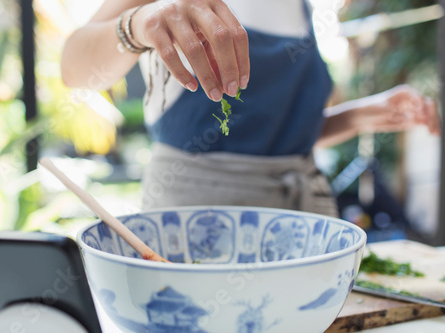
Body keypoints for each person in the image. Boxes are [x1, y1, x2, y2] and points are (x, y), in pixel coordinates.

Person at [61, 0, 439, 217]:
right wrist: (137, 23)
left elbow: (274, 133)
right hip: (196, 219)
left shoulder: (302, 8)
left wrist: (355, 117)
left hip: (299, 220)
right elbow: (74, 69)